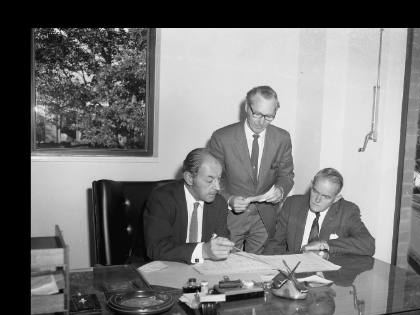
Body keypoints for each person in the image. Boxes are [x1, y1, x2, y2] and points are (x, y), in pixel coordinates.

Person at [208, 86, 294, 254]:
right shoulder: (222, 137)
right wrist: (229, 199)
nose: (261, 122)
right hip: (230, 217)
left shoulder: (282, 138)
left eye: (269, 117)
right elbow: (214, 179)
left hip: (265, 217)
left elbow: (287, 175)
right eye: (257, 114)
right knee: (227, 264)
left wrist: (281, 190)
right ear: (247, 107)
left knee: (258, 267)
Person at [144, 148, 234, 264]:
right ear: (189, 178)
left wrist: (223, 247)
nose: (217, 187)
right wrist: (204, 251)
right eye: (209, 180)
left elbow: (222, 240)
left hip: (202, 270)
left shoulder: (219, 203)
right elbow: (156, 249)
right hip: (166, 266)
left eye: (218, 179)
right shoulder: (162, 199)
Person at [263, 167, 375, 257]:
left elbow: (368, 244)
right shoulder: (292, 204)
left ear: (336, 198)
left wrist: (325, 245)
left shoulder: (347, 211)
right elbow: (276, 244)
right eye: (315, 191)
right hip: (294, 271)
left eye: (325, 196)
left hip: (327, 276)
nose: (317, 200)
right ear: (312, 186)